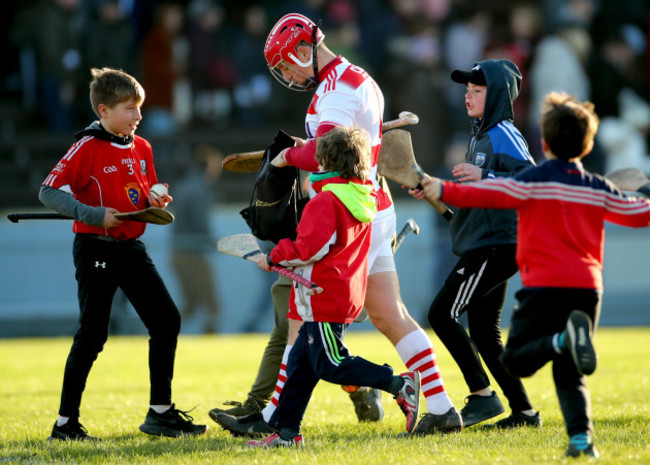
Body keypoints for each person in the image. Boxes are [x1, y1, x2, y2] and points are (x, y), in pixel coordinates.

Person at [212, 12, 462, 437]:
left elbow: (324, 153)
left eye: (288, 63)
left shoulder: (339, 91)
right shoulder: (348, 79)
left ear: (306, 50)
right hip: (371, 204)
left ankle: (275, 418)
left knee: (302, 317)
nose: (287, 74)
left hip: (344, 209)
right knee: (389, 314)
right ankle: (440, 406)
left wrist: (286, 156)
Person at [415, 91, 650, 458]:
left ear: (544, 140)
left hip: (544, 288)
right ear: (587, 146)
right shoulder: (598, 187)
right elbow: (639, 214)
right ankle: (580, 442)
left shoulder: (533, 182)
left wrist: (442, 188)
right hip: (588, 291)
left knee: (517, 360)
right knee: (570, 374)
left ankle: (559, 342)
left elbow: (490, 193)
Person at [39, 67, 206, 441]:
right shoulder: (86, 146)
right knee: (94, 333)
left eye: (139, 108)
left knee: (166, 320)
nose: (138, 115)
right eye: (129, 108)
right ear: (104, 110)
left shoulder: (142, 146)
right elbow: (48, 192)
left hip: (130, 247)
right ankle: (65, 424)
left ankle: (160, 413)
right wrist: (95, 215)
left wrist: (153, 198)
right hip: (95, 248)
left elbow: (139, 190)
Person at [245, 126, 421, 447]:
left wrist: (274, 256)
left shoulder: (325, 201)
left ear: (326, 163)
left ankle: (398, 383)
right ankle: (287, 434)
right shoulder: (359, 196)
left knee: (330, 363)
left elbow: (309, 248)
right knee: (300, 368)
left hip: (323, 298)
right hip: (338, 294)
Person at [411, 59, 540, 429]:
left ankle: (482, 397)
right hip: (489, 243)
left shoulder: (504, 132)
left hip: (497, 245)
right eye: (467, 90)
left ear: (497, 95)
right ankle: (525, 414)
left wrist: (486, 174)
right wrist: (436, 192)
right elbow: (481, 196)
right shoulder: (480, 135)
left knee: (441, 314)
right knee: (484, 332)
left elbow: (530, 181)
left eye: (477, 90)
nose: (468, 96)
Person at [169, 144, 222, 334]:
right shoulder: (200, 189)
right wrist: (218, 244)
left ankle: (163, 332)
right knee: (212, 307)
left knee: (190, 307)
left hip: (177, 253)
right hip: (193, 254)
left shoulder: (184, 185)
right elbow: (200, 223)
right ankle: (211, 347)